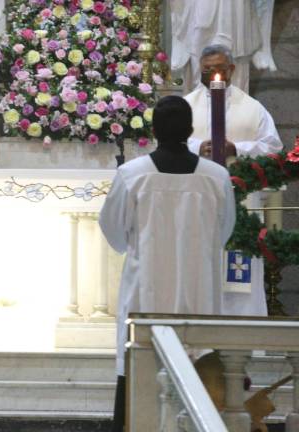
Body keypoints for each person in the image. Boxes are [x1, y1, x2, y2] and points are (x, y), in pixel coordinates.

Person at [99, 95, 236, 431]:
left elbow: (113, 230)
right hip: (199, 297)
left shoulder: (133, 175)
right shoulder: (216, 177)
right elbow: (224, 232)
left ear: (153, 130)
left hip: (146, 299)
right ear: (190, 129)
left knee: (141, 387)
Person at [184, 44, 283, 316]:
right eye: (207, 70)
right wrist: (196, 148)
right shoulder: (186, 106)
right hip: (198, 197)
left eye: (219, 69)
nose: (213, 74)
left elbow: (273, 148)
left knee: (239, 265)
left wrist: (237, 149)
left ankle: (245, 326)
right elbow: (170, 142)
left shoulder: (253, 108)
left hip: (240, 197)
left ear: (232, 70)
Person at [171, 0, 276, 93]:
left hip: (233, 7)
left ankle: (232, 102)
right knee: (199, 40)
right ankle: (201, 98)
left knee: (234, 49)